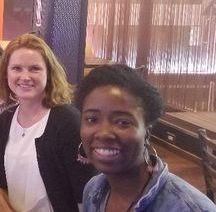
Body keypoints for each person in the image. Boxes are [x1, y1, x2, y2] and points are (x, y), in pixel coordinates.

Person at [76, 64, 215, 211]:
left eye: (123, 122)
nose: (104, 133)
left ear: (147, 133)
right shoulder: (93, 190)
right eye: (92, 119)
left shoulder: (187, 208)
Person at [0, 34, 95, 212]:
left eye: (34, 69)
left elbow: (85, 194)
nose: (25, 76)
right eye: (16, 68)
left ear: (49, 73)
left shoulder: (68, 121)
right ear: (6, 73)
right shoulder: (5, 120)